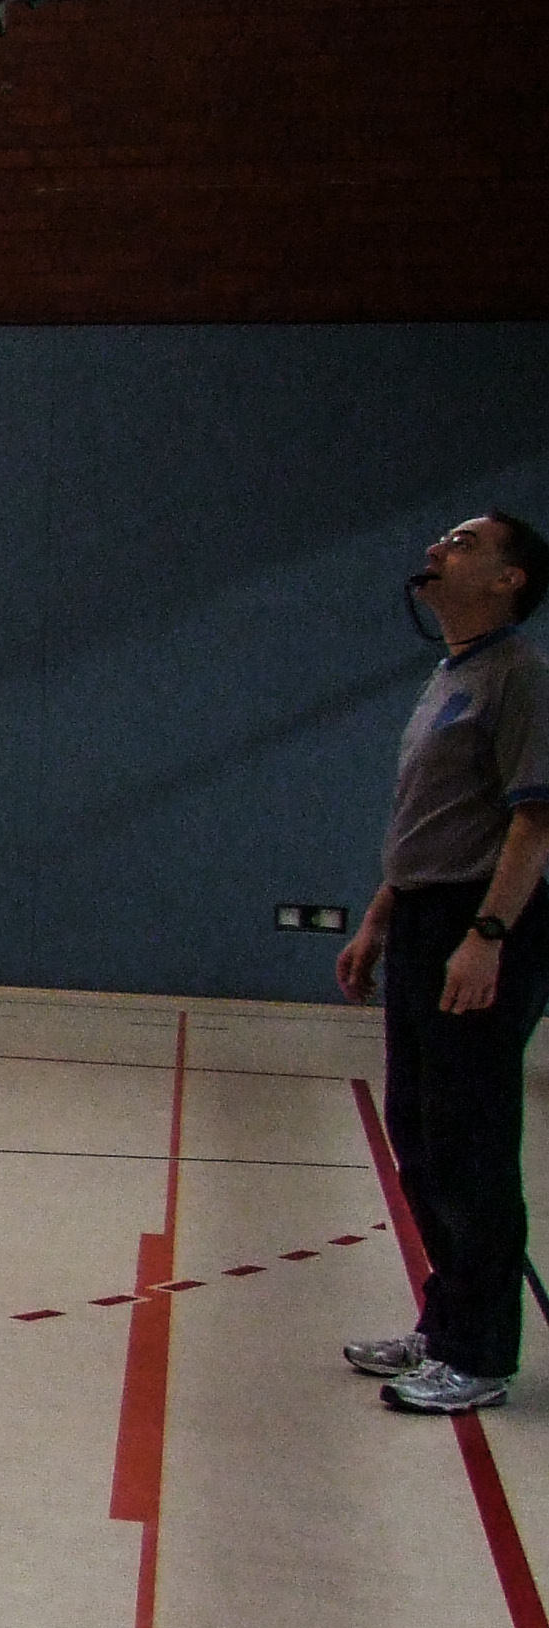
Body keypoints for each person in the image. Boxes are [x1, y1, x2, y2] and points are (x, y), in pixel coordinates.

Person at [337, 509, 549, 1414]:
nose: (436, 550)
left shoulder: (518, 675)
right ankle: (443, 1319)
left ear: (509, 579)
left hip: (483, 920)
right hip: (426, 918)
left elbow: (533, 821)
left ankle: (481, 1352)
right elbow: (430, 822)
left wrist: (486, 936)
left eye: (463, 544)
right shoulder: (448, 676)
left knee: (468, 1141)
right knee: (419, 1133)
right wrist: (380, 918)